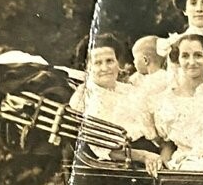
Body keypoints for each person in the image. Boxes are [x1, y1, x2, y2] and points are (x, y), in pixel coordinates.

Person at [68, 33, 161, 175]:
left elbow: (156, 131)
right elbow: (104, 149)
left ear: (118, 63)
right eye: (98, 63)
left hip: (152, 158)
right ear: (86, 67)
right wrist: (144, 156)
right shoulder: (84, 98)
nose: (105, 68)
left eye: (110, 61)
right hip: (120, 168)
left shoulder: (131, 90)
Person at [151, 34, 203, 170]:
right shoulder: (167, 100)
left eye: (198, 55)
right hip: (182, 165)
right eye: (185, 56)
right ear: (177, 60)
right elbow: (168, 143)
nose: (192, 61)